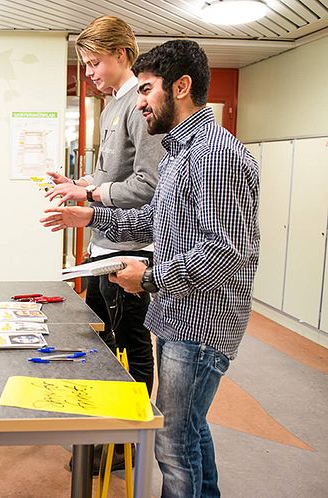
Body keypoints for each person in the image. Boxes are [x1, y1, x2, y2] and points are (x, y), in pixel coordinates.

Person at [41, 40, 259, 498]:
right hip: (179, 313)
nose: (138, 102)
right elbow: (154, 221)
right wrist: (92, 215)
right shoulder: (181, 152)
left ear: (181, 86)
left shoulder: (216, 155)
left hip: (202, 325)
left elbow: (227, 255)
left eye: (146, 90)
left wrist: (151, 276)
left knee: (173, 444)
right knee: (192, 430)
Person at [46, 15, 164, 396]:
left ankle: (129, 441)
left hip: (129, 250)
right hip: (104, 245)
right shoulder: (112, 105)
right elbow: (109, 172)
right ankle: (102, 428)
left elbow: (148, 184)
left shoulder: (139, 106)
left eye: (95, 63)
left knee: (132, 342)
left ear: (122, 54)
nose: (89, 73)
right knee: (100, 339)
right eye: (85, 64)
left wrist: (92, 195)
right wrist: (79, 184)